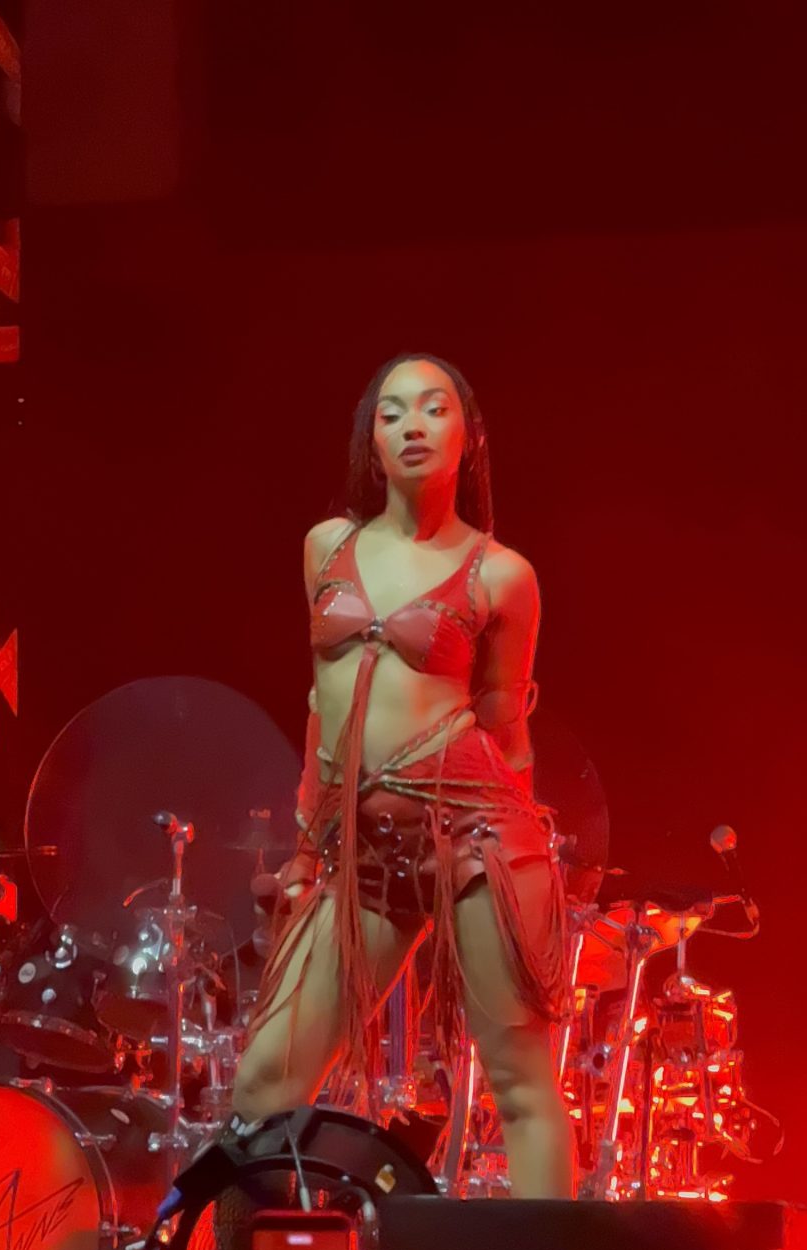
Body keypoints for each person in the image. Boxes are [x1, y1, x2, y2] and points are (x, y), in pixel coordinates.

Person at [231, 354, 575, 1197]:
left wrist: (529, 872)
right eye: (391, 414)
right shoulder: (327, 547)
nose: (412, 426)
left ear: (468, 436)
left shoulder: (502, 574)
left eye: (432, 408)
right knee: (265, 1081)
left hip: (476, 837)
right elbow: (320, 708)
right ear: (372, 443)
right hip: (364, 849)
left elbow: (506, 725)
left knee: (520, 1085)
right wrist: (307, 847)